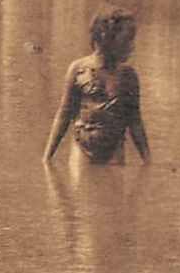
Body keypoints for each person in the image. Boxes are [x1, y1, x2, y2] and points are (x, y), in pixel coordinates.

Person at [43, 8, 150, 166]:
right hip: (82, 147)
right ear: (106, 38)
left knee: (115, 188)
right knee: (78, 190)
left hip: (114, 149)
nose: (131, 47)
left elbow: (135, 121)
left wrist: (147, 161)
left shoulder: (128, 76)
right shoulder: (78, 69)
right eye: (126, 40)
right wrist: (47, 158)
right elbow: (64, 115)